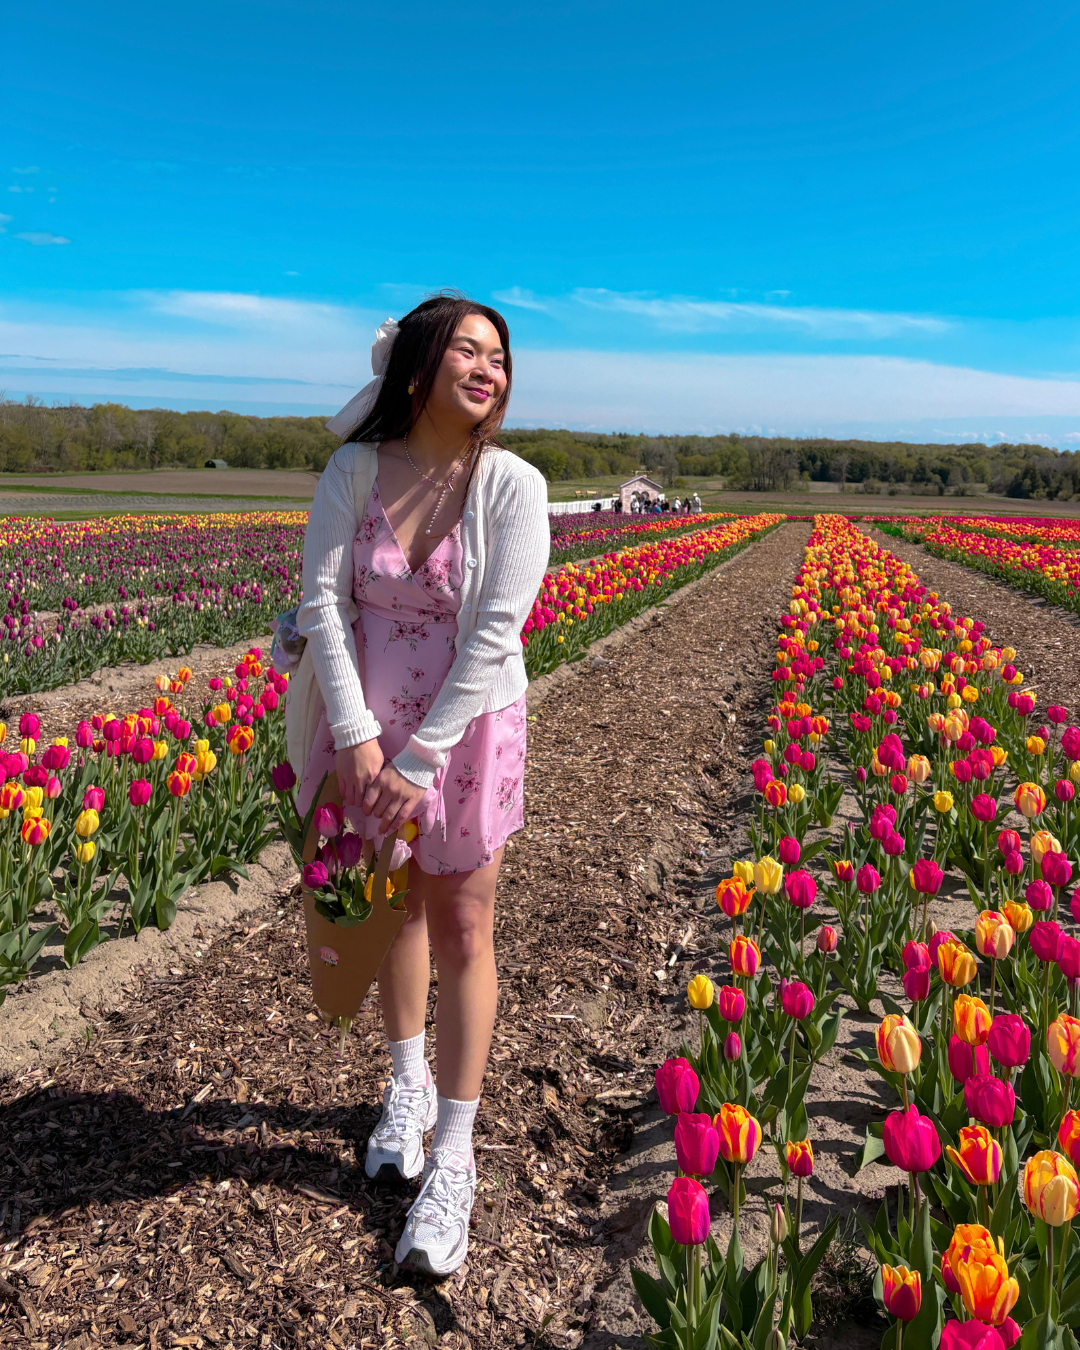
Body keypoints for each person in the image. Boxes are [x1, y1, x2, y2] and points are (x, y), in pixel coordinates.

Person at [295, 295, 549, 1275]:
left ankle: (456, 1155)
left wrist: (416, 759)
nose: (488, 369)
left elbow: (493, 633)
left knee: (463, 927)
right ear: (414, 371)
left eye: (499, 356)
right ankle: (403, 1089)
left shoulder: (514, 487)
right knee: (387, 911)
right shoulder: (353, 470)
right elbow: (321, 598)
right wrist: (360, 742)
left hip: (465, 730)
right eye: (466, 353)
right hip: (365, 726)